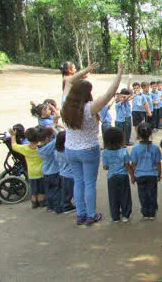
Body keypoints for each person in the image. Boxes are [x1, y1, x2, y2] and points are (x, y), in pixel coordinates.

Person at [62, 60, 123, 226]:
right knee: (89, 183)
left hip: (70, 150)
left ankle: (80, 215)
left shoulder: (65, 104)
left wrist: (85, 70)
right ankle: (91, 215)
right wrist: (119, 73)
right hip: (89, 150)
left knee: (78, 181)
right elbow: (110, 94)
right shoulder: (89, 108)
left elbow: (68, 81)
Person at [130, 123, 162, 220]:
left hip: (140, 175)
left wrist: (132, 175)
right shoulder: (155, 148)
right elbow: (158, 163)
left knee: (142, 194)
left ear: (138, 134)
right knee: (152, 193)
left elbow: (133, 164)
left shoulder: (135, 149)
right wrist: (159, 173)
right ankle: (152, 212)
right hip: (152, 174)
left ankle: (145, 212)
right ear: (150, 133)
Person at [102, 127, 133, 223]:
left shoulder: (105, 152)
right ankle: (125, 215)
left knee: (113, 197)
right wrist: (132, 176)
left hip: (111, 177)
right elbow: (127, 166)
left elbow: (105, 167)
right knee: (125, 196)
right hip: (123, 176)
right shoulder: (124, 151)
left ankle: (115, 216)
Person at [9, 127, 45, 208]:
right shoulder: (41, 147)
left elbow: (14, 146)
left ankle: (34, 202)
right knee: (41, 188)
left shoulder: (25, 148)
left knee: (33, 188)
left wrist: (13, 136)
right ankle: (42, 201)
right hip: (42, 171)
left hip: (31, 173)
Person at [37, 126, 62, 213]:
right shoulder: (50, 146)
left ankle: (50, 206)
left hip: (46, 172)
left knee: (49, 191)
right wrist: (53, 129)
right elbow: (60, 136)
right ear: (47, 138)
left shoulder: (39, 147)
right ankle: (57, 207)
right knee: (57, 191)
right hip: (54, 171)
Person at [54, 131, 76, 214]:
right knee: (70, 191)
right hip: (70, 175)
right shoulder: (66, 153)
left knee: (65, 191)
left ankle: (65, 204)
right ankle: (66, 206)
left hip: (62, 173)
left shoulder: (56, 151)